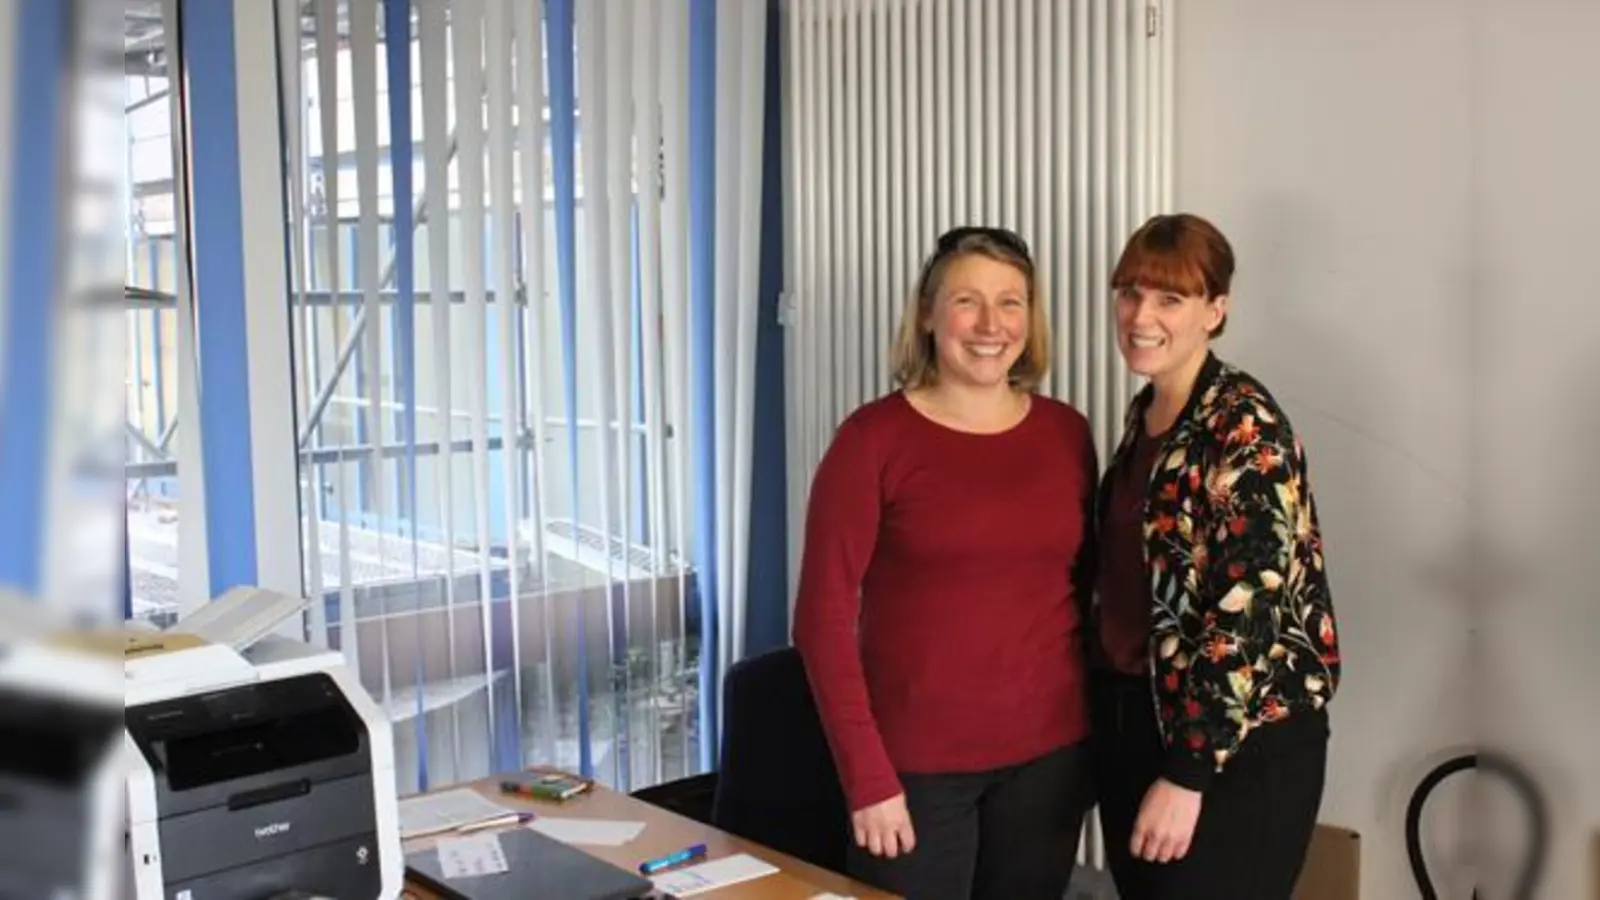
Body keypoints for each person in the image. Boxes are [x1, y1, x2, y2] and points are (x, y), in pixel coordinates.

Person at [791, 226, 1099, 900]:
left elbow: (1081, 594)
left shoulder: (1067, 435)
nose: (991, 325)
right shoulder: (872, 441)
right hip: (912, 774)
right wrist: (866, 778)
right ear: (928, 314)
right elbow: (820, 622)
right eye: (967, 300)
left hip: (1050, 763)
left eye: (1011, 302)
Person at [1088, 212, 1343, 900]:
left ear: (1216, 310)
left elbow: (1246, 615)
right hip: (1140, 724)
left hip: (1237, 750)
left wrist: (1187, 774)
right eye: (1130, 292)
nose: (1141, 315)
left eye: (1169, 298)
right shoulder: (1144, 419)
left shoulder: (1244, 424)